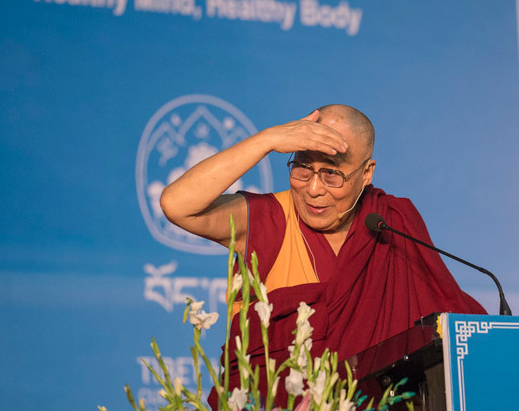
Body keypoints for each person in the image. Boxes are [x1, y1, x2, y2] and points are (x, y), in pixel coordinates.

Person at [160, 104, 486, 407]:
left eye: (332, 174)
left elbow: (446, 329)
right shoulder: (270, 218)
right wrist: (268, 139)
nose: (314, 188)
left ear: (367, 172)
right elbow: (177, 204)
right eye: (302, 169)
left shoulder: (390, 225)